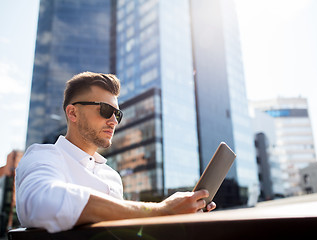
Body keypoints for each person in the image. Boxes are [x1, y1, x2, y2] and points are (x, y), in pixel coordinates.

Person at [15, 72, 216, 233]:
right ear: (73, 113)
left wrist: (182, 215)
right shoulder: (43, 156)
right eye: (104, 110)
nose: (113, 121)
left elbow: (129, 233)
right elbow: (41, 202)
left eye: (117, 114)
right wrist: (161, 211)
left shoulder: (111, 176)